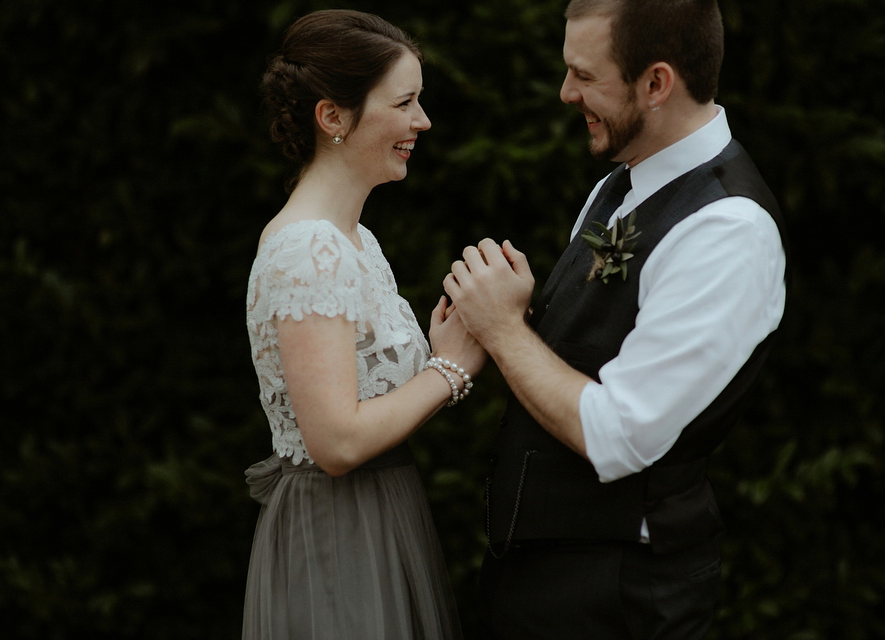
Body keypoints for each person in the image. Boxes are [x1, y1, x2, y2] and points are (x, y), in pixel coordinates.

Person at [443, 0, 787, 638]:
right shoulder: (619, 185)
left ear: (656, 83)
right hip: (540, 582)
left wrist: (503, 328)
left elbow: (618, 434)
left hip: (619, 599)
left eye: (585, 75)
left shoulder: (728, 230)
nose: (565, 92)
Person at [242, 9, 484, 640]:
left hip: (378, 516)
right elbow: (338, 442)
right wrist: (450, 368)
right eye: (404, 102)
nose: (422, 122)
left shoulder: (355, 239)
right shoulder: (309, 250)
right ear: (333, 118)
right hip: (339, 534)